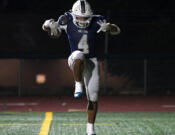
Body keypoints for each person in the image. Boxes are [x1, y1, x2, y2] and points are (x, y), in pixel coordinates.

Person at [42, 0, 120, 134]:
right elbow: (52, 31)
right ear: (73, 14)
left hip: (91, 61)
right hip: (74, 59)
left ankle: (90, 130)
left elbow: (117, 30)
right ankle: (78, 84)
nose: (83, 20)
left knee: (93, 97)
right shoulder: (66, 19)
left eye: (85, 17)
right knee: (78, 54)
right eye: (80, 17)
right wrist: (49, 25)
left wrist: (110, 27)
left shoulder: (97, 20)